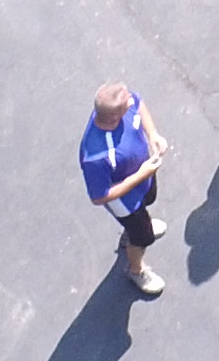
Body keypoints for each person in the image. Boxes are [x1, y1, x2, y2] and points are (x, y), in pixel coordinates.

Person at [80, 82, 167, 296]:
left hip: (144, 178)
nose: (131, 101)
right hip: (125, 202)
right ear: (112, 117)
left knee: (149, 200)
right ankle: (136, 269)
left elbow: (139, 104)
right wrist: (141, 175)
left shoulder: (125, 106)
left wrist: (153, 135)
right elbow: (100, 197)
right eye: (125, 104)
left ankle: (137, 229)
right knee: (143, 238)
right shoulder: (96, 156)